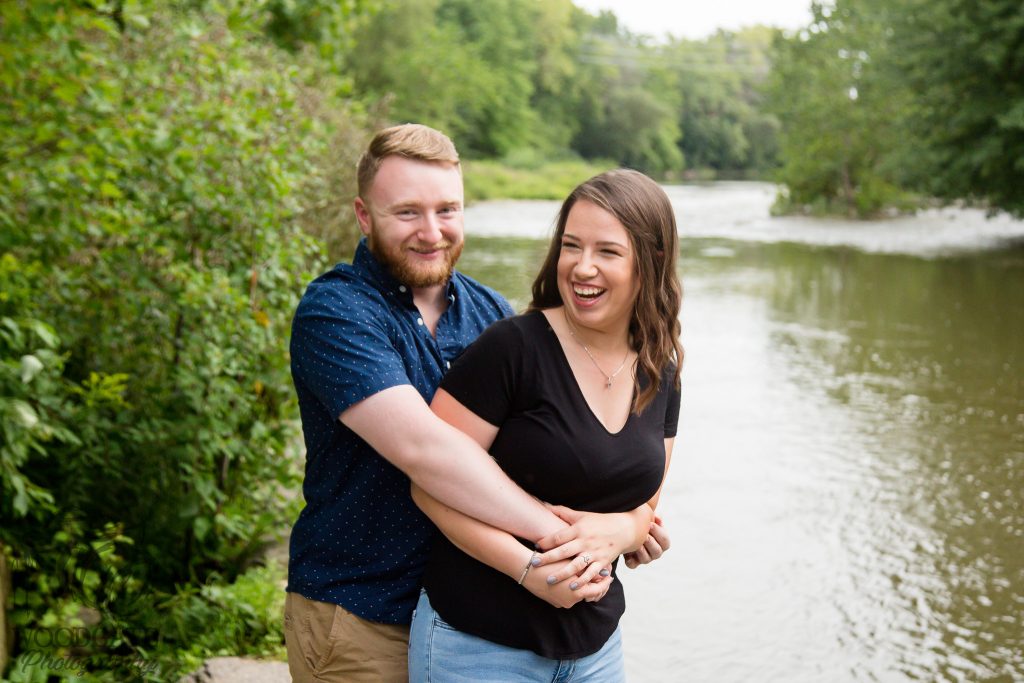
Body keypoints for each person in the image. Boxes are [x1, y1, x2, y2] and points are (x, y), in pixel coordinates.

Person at [285, 125, 662, 683]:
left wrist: (626, 522)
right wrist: (567, 542)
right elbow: (427, 450)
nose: (431, 232)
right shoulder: (337, 312)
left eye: (447, 210)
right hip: (363, 611)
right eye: (407, 212)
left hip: (476, 607)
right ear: (364, 217)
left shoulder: (489, 311)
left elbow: (539, 440)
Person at [409, 169, 683, 682]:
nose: (582, 268)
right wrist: (528, 570)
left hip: (596, 650)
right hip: (478, 646)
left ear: (654, 261)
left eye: (608, 252)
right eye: (571, 246)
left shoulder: (658, 369)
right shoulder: (510, 349)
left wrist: (626, 529)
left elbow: (646, 504)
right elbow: (428, 486)